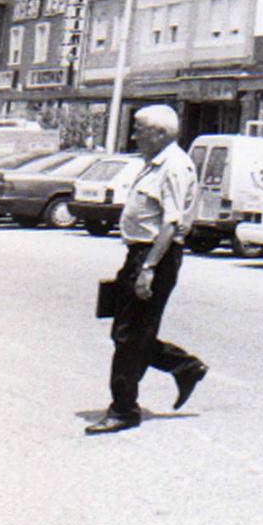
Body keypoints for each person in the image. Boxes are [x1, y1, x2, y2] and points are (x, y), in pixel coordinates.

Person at [85, 104, 208, 435]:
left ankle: (124, 409)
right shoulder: (156, 163)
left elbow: (171, 224)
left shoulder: (174, 166)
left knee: (129, 336)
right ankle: (184, 367)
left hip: (155, 255)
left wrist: (149, 268)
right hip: (141, 254)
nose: (134, 135)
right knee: (127, 332)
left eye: (140, 129)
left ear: (160, 133)